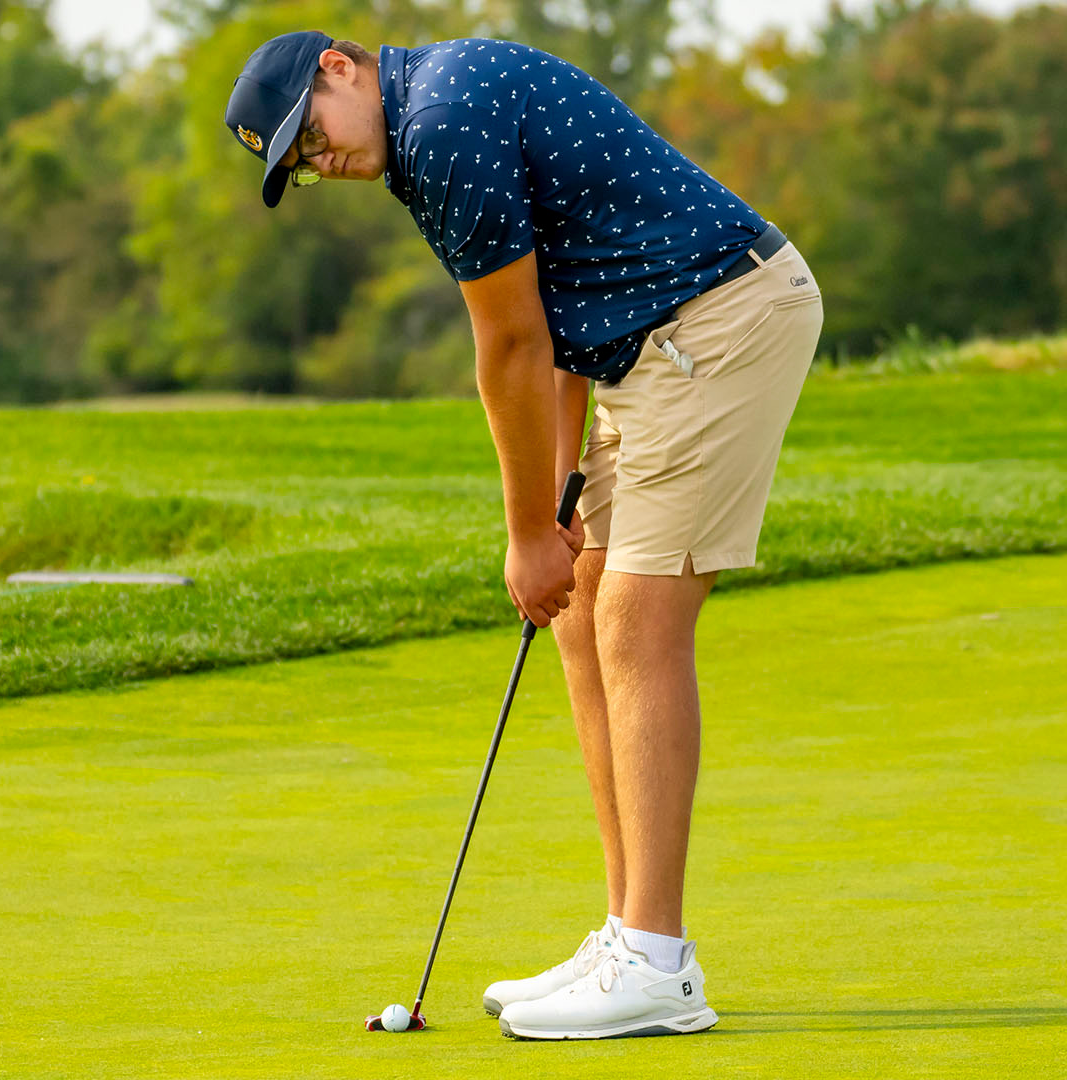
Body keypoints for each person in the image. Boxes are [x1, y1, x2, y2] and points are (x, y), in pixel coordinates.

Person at [225, 31, 823, 1040]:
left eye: (309, 137)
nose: (316, 163)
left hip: (716, 325)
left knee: (635, 620)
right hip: (654, 345)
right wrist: (554, 506)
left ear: (340, 66)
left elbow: (506, 345)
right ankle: (628, 929)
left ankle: (656, 960)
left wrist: (524, 536)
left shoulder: (443, 124)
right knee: (588, 609)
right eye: (296, 164)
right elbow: (550, 321)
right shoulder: (425, 131)